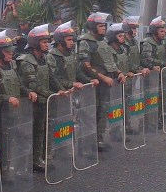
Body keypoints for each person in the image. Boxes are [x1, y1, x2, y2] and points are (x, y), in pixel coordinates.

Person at [0, 29, 37, 182]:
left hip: (9, 115)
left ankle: (2, 176)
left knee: (7, 145)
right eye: (8, 51)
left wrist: (28, 91)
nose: (12, 54)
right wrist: (6, 98)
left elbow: (18, 84)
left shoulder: (11, 67)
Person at [17, 23, 66, 172]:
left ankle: (38, 159)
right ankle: (26, 161)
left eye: (47, 42)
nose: (47, 44)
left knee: (41, 130)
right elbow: (33, 85)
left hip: (43, 101)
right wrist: (51, 94)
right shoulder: (26, 61)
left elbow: (52, 78)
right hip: (30, 103)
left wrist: (61, 90)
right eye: (44, 42)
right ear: (34, 43)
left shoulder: (44, 59)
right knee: (28, 133)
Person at [78, 12, 125, 152]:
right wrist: (102, 77)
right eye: (100, 25)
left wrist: (119, 72)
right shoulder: (85, 42)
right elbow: (85, 65)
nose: (104, 28)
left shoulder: (103, 42)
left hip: (106, 83)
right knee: (90, 112)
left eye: (104, 25)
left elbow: (110, 62)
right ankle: (86, 142)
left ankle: (99, 138)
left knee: (102, 110)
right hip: (94, 84)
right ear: (93, 27)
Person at [47, 20, 99, 90]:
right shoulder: (51, 56)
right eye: (69, 40)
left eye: (72, 40)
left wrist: (89, 80)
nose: (72, 42)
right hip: (61, 94)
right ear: (60, 40)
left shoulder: (71, 54)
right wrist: (71, 84)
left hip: (73, 93)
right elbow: (54, 78)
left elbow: (78, 72)